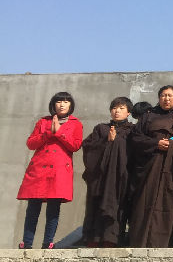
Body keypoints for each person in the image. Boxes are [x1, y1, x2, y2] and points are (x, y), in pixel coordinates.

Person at [18, 92, 83, 249]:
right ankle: (26, 243)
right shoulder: (43, 121)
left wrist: (59, 132)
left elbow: (75, 146)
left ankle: (48, 243)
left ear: (71, 105)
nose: (62, 104)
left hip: (60, 170)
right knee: (33, 207)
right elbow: (31, 143)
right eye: (59, 101)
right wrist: (48, 133)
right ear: (53, 104)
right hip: (40, 168)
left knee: (54, 208)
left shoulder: (76, 124)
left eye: (66, 102)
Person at [127, 86, 173, 247]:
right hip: (150, 166)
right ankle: (140, 241)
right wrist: (155, 143)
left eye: (169, 96)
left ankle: (167, 242)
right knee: (144, 202)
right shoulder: (148, 117)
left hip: (172, 167)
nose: (166, 99)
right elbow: (135, 138)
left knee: (169, 202)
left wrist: (172, 143)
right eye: (163, 95)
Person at [80, 96, 134, 247]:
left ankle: (111, 240)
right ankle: (93, 240)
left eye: (122, 108)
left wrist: (117, 142)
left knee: (117, 209)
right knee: (95, 208)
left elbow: (135, 152)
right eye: (114, 108)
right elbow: (88, 147)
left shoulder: (132, 131)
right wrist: (107, 142)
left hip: (119, 179)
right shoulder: (101, 129)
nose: (117, 111)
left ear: (128, 112)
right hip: (100, 179)